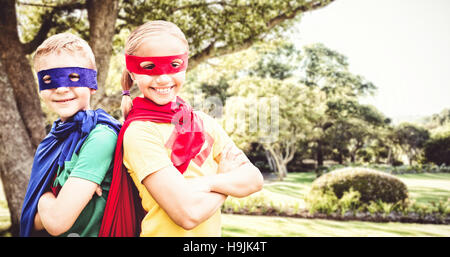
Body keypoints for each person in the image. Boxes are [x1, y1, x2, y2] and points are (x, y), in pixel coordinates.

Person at [116, 20, 264, 237]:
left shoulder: (204, 122)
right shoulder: (140, 132)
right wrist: (225, 181)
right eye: (149, 67)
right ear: (132, 72)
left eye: (174, 65)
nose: (164, 78)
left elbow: (253, 179)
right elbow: (188, 214)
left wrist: (207, 183)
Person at [20, 33, 121, 237]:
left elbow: (57, 222)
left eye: (74, 77)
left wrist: (43, 198)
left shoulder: (100, 137)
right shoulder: (52, 141)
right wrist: (51, 204)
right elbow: (34, 222)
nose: (61, 88)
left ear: (92, 83)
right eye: (49, 79)